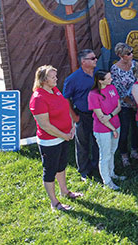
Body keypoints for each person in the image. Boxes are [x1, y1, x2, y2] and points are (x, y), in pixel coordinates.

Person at [30, 65, 81, 211]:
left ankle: (64, 191)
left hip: (63, 137)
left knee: (61, 166)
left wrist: (71, 126)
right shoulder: (38, 98)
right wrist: (64, 135)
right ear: (44, 80)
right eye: (53, 77)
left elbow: (65, 108)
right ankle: (54, 202)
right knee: (50, 170)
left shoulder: (54, 90)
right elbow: (45, 125)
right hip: (51, 141)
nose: (56, 79)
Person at [63, 49, 99, 182]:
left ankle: (97, 166)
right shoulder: (72, 79)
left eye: (95, 58)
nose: (96, 60)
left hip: (98, 114)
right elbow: (65, 99)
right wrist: (74, 117)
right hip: (82, 115)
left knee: (98, 141)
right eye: (92, 58)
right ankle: (84, 171)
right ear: (83, 62)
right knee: (83, 144)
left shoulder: (97, 73)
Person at [88, 70, 124, 190]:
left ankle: (112, 173)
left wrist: (110, 116)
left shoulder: (112, 88)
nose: (111, 80)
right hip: (102, 129)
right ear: (100, 81)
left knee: (112, 150)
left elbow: (119, 107)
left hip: (115, 124)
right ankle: (107, 181)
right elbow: (100, 117)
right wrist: (112, 128)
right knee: (105, 154)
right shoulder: (93, 94)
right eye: (108, 78)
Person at [111, 42, 138, 167]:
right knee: (124, 130)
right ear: (120, 55)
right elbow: (118, 90)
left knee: (137, 128)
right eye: (128, 54)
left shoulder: (135, 65)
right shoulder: (115, 70)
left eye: (132, 52)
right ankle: (124, 155)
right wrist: (130, 102)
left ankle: (134, 150)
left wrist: (137, 102)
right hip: (123, 105)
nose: (131, 55)